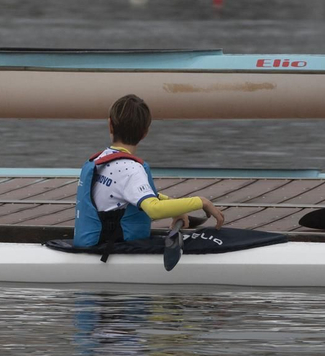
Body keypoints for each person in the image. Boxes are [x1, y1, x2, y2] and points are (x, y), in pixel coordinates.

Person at [71, 94, 225, 250]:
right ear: (145, 132)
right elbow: (154, 209)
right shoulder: (131, 169)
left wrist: (175, 206)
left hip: (92, 245)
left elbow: (133, 193)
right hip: (113, 249)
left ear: (110, 125)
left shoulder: (100, 161)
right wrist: (201, 201)